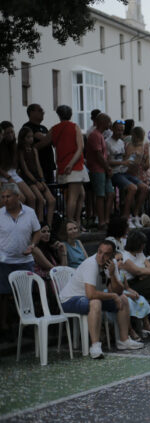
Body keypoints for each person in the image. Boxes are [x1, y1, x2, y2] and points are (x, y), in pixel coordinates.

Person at [59, 240, 144, 359]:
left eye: (106, 254)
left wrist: (112, 275)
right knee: (95, 302)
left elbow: (118, 291)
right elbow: (91, 294)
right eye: (99, 252)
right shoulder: (91, 264)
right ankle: (95, 346)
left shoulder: (112, 263)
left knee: (123, 299)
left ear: (112, 255)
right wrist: (113, 296)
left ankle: (123, 340)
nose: (101, 256)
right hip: (69, 300)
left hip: (87, 298)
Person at [0, 184, 41, 335]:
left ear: (17, 196)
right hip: (4, 260)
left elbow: (37, 231)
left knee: (25, 293)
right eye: (3, 197)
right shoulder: (0, 214)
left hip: (25, 261)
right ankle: (4, 326)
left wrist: (33, 244)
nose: (5, 200)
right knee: (3, 294)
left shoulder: (29, 213)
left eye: (8, 196)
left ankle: (26, 323)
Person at [49, 105, 89, 225]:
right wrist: (71, 164)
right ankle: (71, 222)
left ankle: (76, 220)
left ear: (59, 115)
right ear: (71, 114)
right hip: (74, 166)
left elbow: (46, 141)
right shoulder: (74, 127)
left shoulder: (54, 129)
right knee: (73, 197)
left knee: (81, 194)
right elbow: (80, 147)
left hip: (62, 165)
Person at [17, 127, 56, 227]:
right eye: (28, 137)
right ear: (23, 138)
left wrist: (42, 179)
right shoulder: (21, 151)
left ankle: (49, 226)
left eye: (31, 137)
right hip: (28, 178)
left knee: (52, 200)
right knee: (39, 199)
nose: (31, 139)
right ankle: (38, 224)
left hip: (37, 177)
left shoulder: (34, 149)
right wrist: (35, 181)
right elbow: (25, 169)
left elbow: (38, 165)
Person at [86, 113, 115, 230]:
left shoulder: (101, 135)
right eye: (108, 121)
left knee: (110, 193)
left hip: (103, 169)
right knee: (100, 195)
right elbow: (98, 155)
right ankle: (101, 221)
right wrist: (107, 167)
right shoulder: (95, 135)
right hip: (97, 169)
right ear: (103, 122)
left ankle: (106, 219)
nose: (110, 124)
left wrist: (107, 167)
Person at [108, 120, 139, 227]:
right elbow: (107, 161)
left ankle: (135, 216)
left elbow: (124, 158)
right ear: (112, 129)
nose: (120, 132)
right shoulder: (107, 142)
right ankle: (126, 218)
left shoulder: (122, 142)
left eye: (122, 130)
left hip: (123, 171)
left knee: (145, 187)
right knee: (133, 188)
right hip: (114, 173)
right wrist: (123, 162)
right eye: (118, 129)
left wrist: (133, 157)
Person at [0, 122, 37, 211]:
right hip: (4, 175)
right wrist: (8, 177)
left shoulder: (14, 146)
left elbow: (16, 165)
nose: (11, 135)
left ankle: (30, 221)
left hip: (14, 173)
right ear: (3, 134)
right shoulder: (1, 147)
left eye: (12, 132)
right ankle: (18, 222)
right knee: (21, 198)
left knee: (32, 197)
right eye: (8, 133)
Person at [22, 104, 55, 184]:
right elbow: (46, 140)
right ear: (31, 113)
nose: (43, 113)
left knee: (51, 190)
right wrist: (53, 131)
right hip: (37, 167)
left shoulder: (44, 128)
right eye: (40, 110)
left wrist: (47, 139)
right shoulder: (27, 127)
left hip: (49, 166)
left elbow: (52, 141)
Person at [124, 127, 150, 224]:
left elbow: (147, 164)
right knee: (132, 193)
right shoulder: (127, 145)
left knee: (143, 190)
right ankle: (130, 215)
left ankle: (135, 213)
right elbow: (125, 160)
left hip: (140, 173)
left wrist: (141, 161)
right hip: (129, 172)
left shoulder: (145, 146)